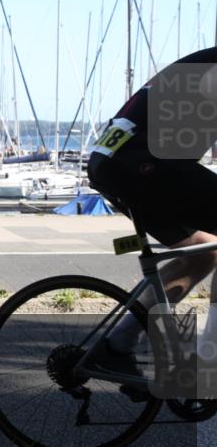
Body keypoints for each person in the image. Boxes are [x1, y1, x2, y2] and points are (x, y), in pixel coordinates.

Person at [87, 46, 217, 378]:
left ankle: (118, 345)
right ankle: (210, 357)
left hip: (118, 160)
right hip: (140, 162)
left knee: (205, 251)